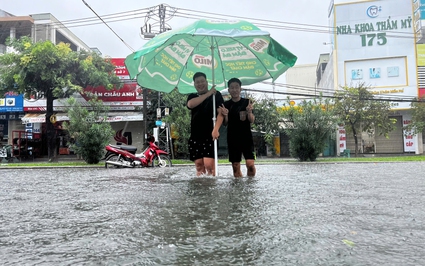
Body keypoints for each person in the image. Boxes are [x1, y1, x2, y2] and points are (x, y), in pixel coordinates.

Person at [213, 77, 256, 177]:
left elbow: (252, 120)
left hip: (246, 138)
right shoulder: (226, 104)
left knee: (250, 164)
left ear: (240, 89)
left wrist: (249, 112)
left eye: (237, 87)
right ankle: (238, 188)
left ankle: (251, 184)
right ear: (229, 90)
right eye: (232, 88)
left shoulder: (247, 102)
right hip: (233, 138)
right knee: (235, 165)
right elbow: (225, 123)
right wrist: (226, 115)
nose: (234, 90)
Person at [187, 72, 224, 176]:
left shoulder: (216, 95)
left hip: (210, 135)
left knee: (209, 165)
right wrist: (208, 94)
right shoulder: (192, 96)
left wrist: (216, 129)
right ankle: (200, 190)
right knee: (199, 166)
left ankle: (211, 189)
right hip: (195, 135)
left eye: (202, 81)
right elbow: (190, 105)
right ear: (194, 84)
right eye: (197, 82)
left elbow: (221, 113)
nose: (200, 84)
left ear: (207, 82)